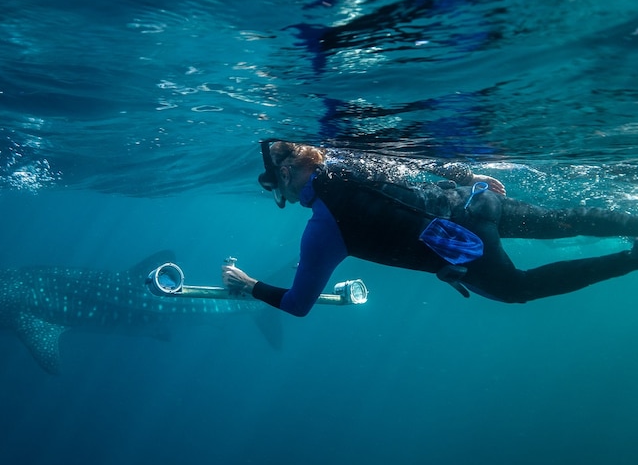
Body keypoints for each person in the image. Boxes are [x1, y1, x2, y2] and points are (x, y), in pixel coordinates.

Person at [222, 140, 638, 316]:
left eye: (279, 189)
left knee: (517, 290)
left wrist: (250, 284)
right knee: (562, 222)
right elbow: (420, 159)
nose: (286, 200)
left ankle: (631, 259)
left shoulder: (322, 229)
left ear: (288, 169)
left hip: (464, 248)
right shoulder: (350, 158)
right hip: (473, 202)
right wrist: (467, 177)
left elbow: (298, 304)